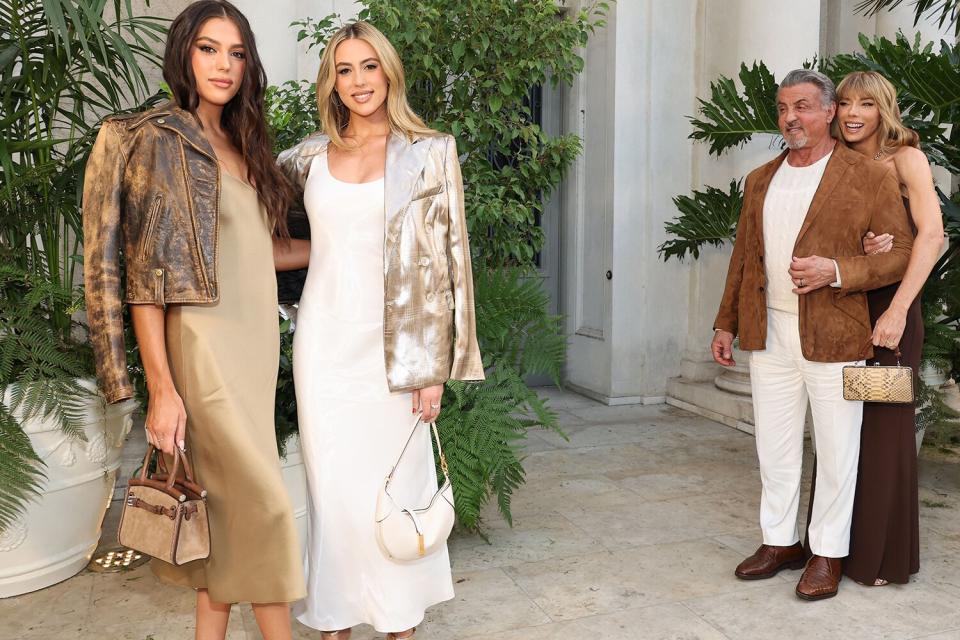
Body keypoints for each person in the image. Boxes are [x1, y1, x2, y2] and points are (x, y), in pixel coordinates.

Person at [82, 2, 309, 638]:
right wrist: (161, 389)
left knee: (226, 520)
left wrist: (349, 242)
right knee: (264, 509)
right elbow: (146, 279)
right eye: (210, 49)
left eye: (236, 53)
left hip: (256, 343)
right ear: (184, 52)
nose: (224, 65)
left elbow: (263, 250)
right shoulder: (160, 138)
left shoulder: (242, 142)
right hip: (202, 345)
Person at [277, 21, 484, 640]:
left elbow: (451, 267)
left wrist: (435, 373)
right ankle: (336, 619)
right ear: (331, 82)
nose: (358, 80)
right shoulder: (305, 157)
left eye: (369, 66)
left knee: (396, 488)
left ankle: (398, 623)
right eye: (344, 70)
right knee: (333, 492)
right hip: (324, 342)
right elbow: (291, 245)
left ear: (388, 72)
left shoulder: (430, 152)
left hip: (399, 353)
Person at [710, 69, 914, 601]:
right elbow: (743, 257)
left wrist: (839, 271)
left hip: (837, 335)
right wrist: (725, 321)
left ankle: (826, 552)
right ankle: (779, 542)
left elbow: (901, 253)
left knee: (838, 447)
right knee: (773, 447)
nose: (790, 118)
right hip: (769, 333)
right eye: (782, 108)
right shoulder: (760, 178)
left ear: (827, 113)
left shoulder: (868, 175)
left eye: (802, 106)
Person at [806, 70, 943, 586]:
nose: (854, 112)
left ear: (883, 109)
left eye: (866, 102)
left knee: (882, 428)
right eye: (845, 103)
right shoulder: (833, 164)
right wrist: (859, 249)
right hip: (844, 309)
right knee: (839, 429)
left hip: (889, 314)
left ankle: (878, 556)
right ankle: (830, 548)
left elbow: (931, 235)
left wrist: (898, 311)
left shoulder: (905, 159)